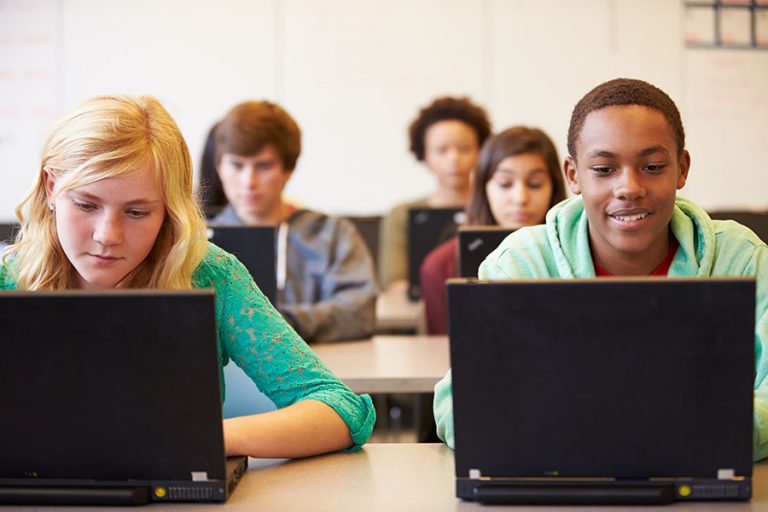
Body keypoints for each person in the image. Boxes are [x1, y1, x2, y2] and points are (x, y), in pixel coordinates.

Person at [0, 95, 375, 459]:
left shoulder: (209, 274)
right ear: (51, 187)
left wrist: (207, 437)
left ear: (169, 210)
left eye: (136, 213)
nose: (107, 235)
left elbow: (341, 409)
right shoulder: (7, 280)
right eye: (86, 205)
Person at [432, 78, 768, 462]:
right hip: (558, 479)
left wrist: (678, 433)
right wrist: (642, 427)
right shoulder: (521, 263)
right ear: (573, 175)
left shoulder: (741, 259)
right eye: (604, 169)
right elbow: (458, 405)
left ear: (682, 168)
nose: (629, 187)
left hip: (699, 476)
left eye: (653, 167)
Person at [211, 100, 377, 343]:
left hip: (320, 363)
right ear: (219, 166)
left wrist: (275, 323)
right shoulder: (199, 242)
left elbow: (359, 312)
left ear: (288, 169)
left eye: (264, 166)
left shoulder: (333, 234)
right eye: (236, 165)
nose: (249, 181)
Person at [420, 126, 567, 334]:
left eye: (535, 184)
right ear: (483, 188)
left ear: (554, 188)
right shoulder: (441, 266)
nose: (520, 198)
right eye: (505, 184)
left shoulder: (576, 255)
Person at [378, 96, 492, 295]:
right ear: (424, 154)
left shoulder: (499, 208)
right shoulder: (402, 214)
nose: (454, 159)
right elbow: (394, 283)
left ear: (481, 151)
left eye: (464, 148)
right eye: (441, 150)